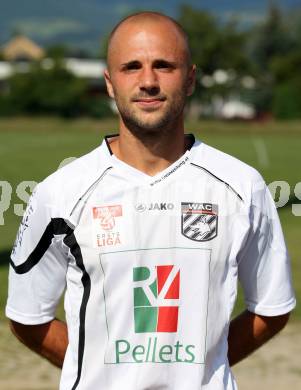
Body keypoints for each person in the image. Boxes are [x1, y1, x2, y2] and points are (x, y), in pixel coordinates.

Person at [6, 11, 295, 390]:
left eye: (164, 65)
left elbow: (271, 310)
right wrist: (101, 369)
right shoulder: (59, 192)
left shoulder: (243, 186)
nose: (148, 81)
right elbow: (28, 316)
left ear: (190, 79)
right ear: (110, 83)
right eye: (131, 67)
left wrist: (198, 371)